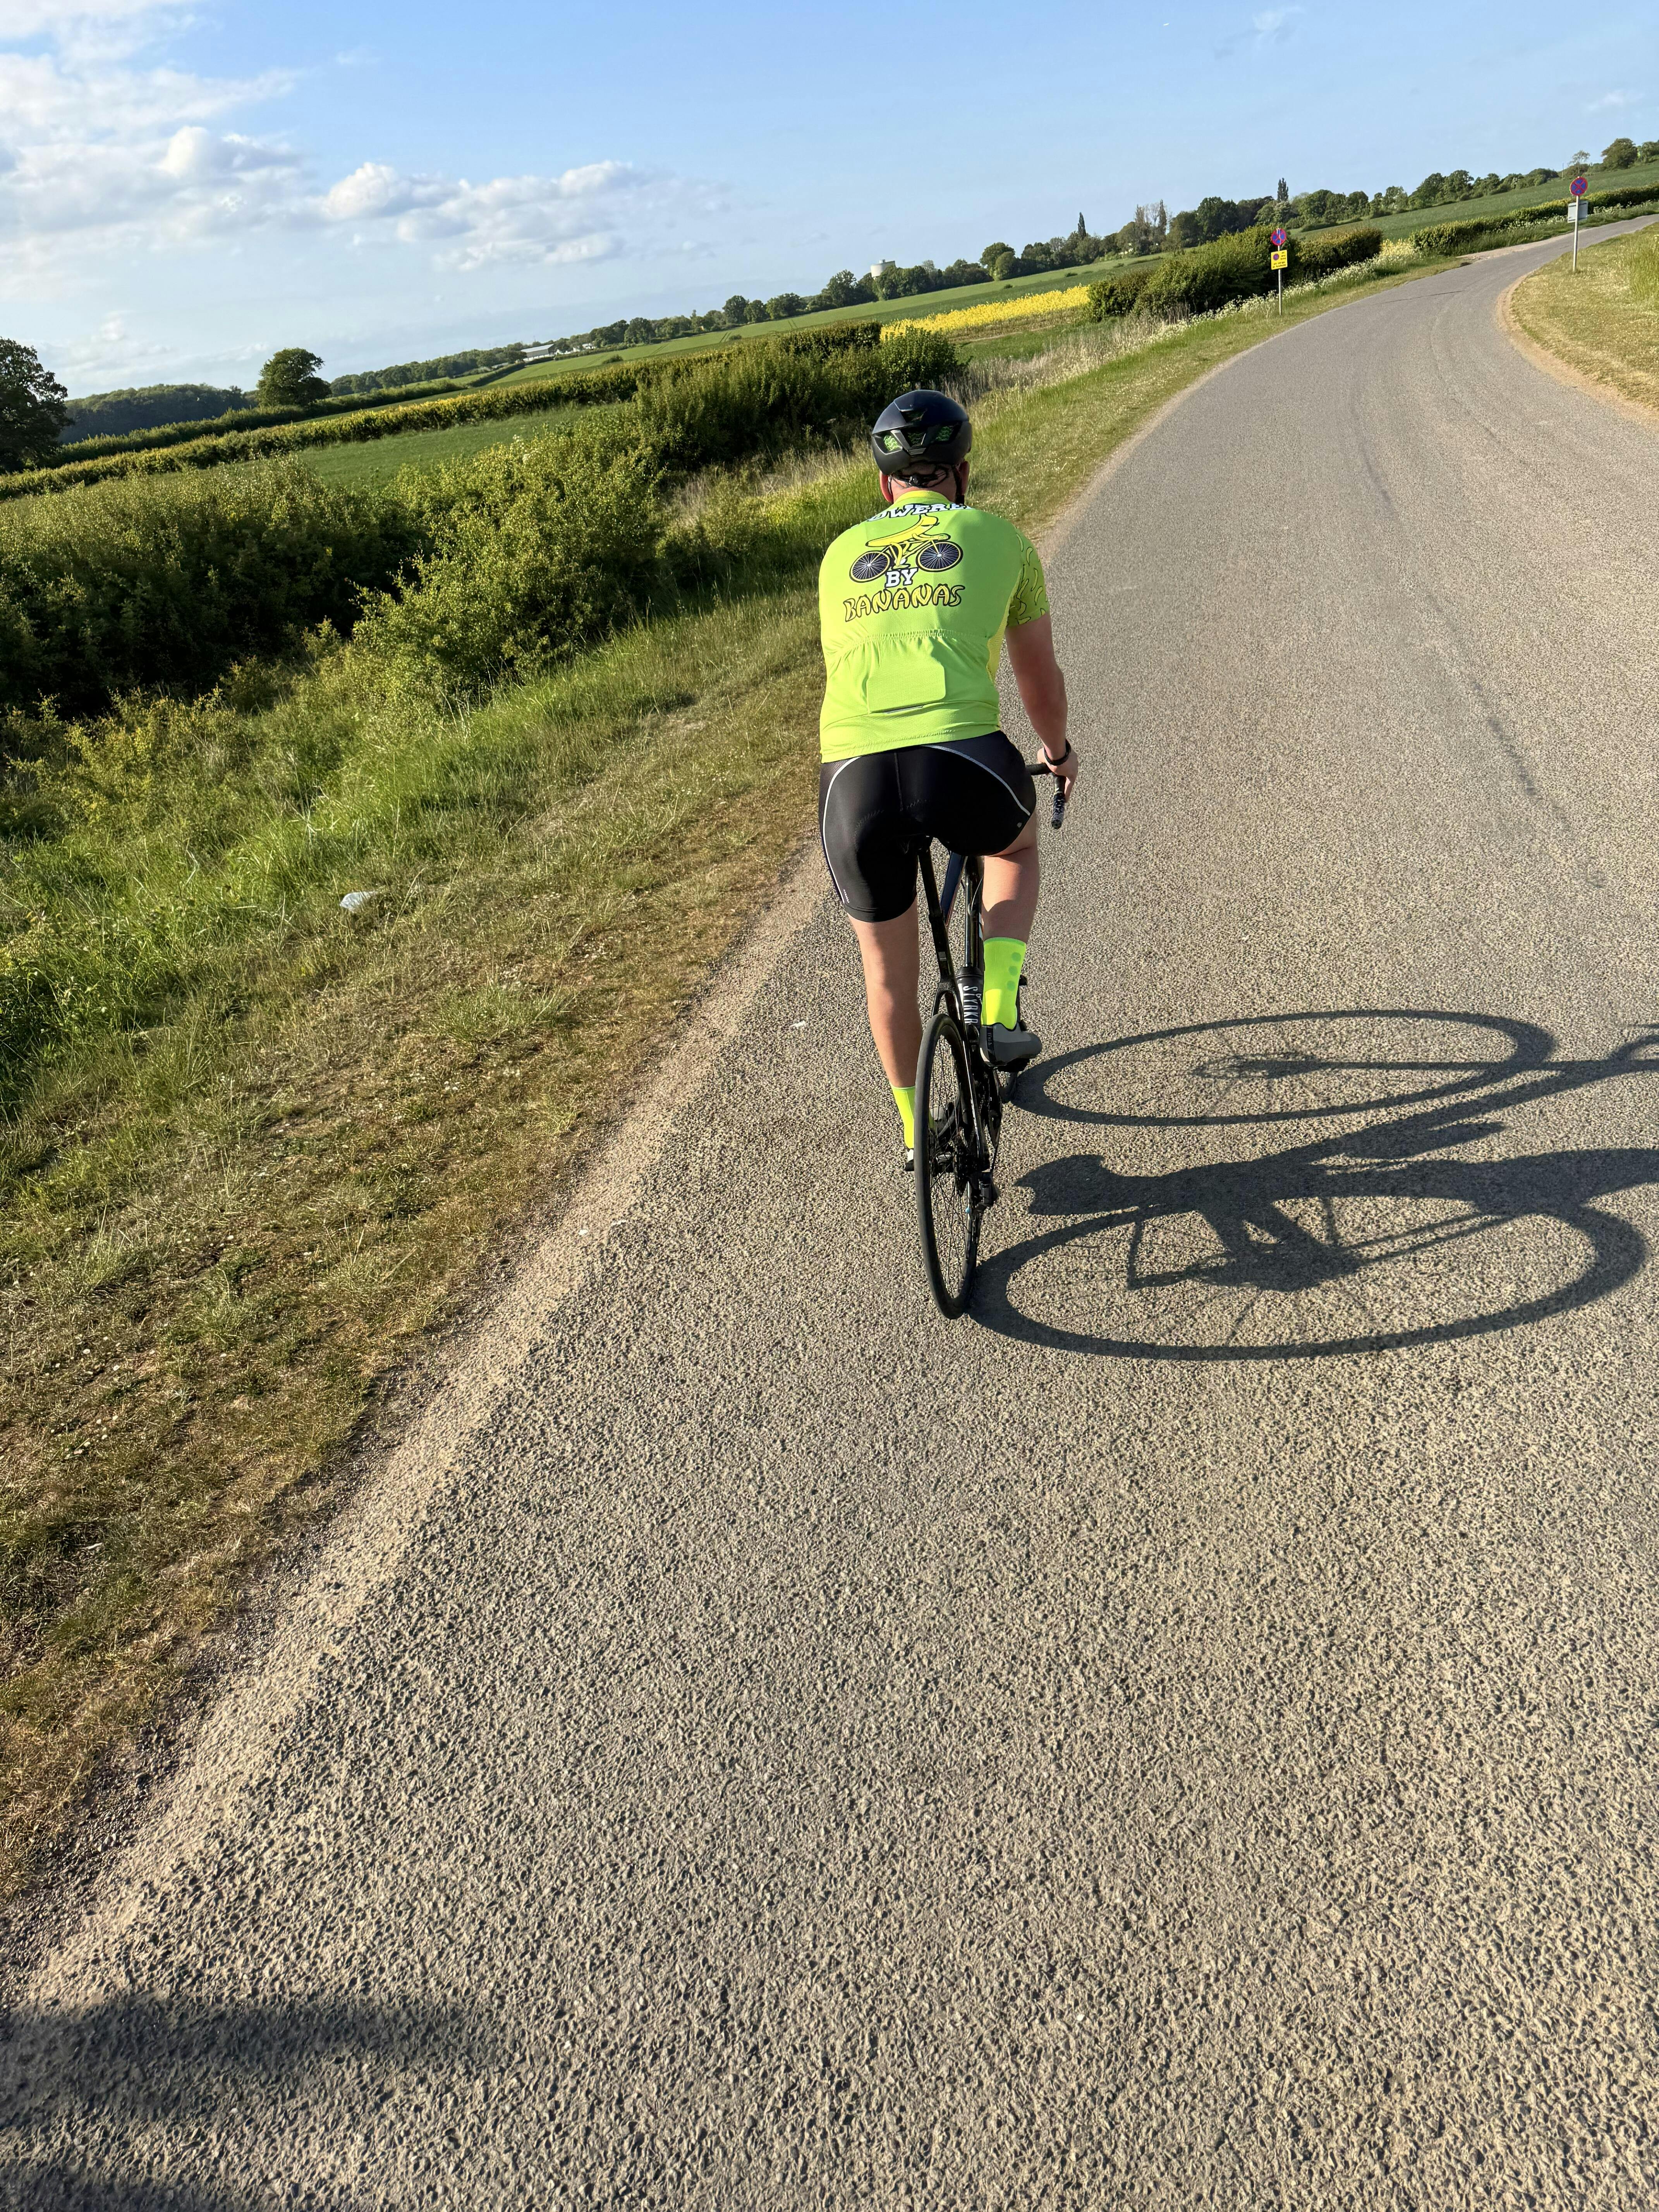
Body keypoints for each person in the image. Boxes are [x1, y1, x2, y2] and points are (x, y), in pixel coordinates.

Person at [816, 386, 1077, 1166]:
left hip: (853, 777)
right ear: (963, 472)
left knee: (884, 970)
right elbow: (1038, 682)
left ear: (885, 483)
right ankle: (997, 1009)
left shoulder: (839, 555)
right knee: (1014, 847)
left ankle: (913, 1132)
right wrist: (1057, 753)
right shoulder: (1002, 540)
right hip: (959, 759)